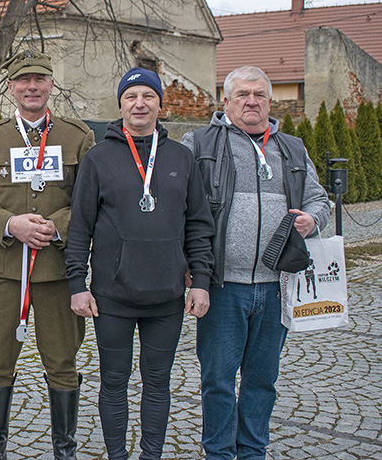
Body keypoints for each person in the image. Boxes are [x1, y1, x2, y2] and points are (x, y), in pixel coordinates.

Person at [65, 68, 214, 460]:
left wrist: (201, 279)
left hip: (166, 297)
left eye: (148, 96)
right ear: (120, 105)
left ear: (160, 104)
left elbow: (198, 224)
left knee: (158, 383)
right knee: (114, 382)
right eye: (131, 97)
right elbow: (80, 227)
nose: (140, 104)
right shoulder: (98, 158)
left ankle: (151, 454)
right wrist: (77, 285)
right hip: (112, 296)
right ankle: (117, 455)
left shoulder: (181, 157)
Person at [182, 66, 330, 460]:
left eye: (260, 94)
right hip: (222, 286)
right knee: (217, 380)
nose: (252, 101)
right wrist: (189, 268)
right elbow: (180, 207)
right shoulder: (199, 143)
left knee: (263, 380)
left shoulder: (292, 148)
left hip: (277, 286)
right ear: (226, 101)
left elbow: (319, 199)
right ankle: (218, 453)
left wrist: (313, 219)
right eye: (243, 94)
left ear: (269, 101)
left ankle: (252, 451)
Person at [0, 50, 94, 460]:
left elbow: (89, 201)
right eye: (23, 80)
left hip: (58, 272)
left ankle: (65, 450)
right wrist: (10, 224)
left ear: (51, 85)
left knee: (62, 362)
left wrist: (56, 225)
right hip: (3, 272)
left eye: (40, 79)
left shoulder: (78, 136)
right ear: (11, 87)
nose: (32, 87)